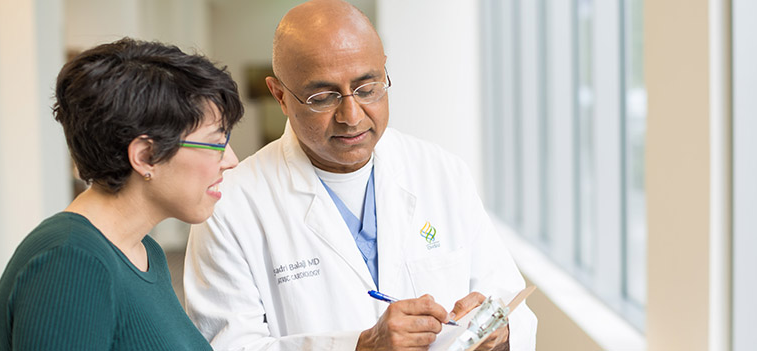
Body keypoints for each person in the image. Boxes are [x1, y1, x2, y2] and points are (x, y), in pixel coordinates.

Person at [183, 0, 537, 350]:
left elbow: (510, 303)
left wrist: (500, 333)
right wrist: (361, 347)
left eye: (368, 89)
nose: (351, 116)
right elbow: (226, 345)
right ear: (280, 96)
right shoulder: (229, 205)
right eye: (323, 97)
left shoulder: (442, 172)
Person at [0, 38, 243, 350]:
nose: (231, 160)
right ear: (146, 155)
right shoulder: (71, 262)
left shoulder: (144, 252)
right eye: (216, 142)